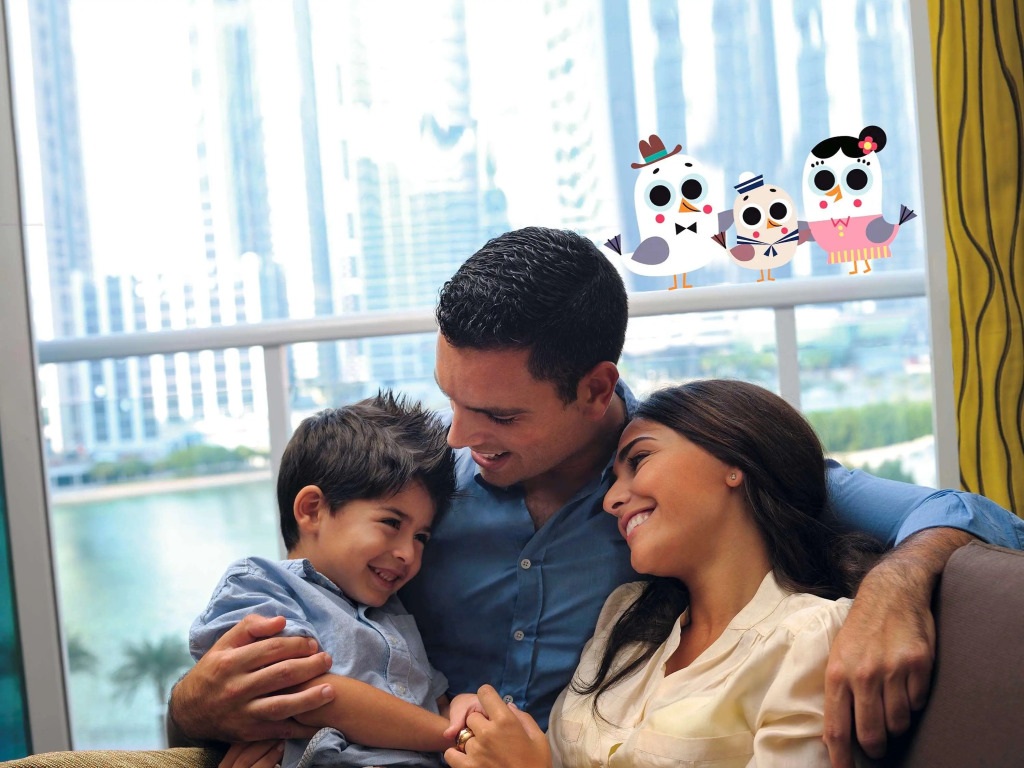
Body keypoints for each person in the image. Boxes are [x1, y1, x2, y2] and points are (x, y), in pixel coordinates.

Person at [168, 227, 1024, 768]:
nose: (459, 437)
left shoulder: (689, 479)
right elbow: (314, 622)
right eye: (452, 398)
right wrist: (193, 707)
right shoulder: (420, 502)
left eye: (499, 415)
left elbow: (974, 516)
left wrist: (895, 586)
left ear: (595, 387)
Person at [444, 379, 883, 767]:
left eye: (640, 460)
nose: (611, 500)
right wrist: (488, 732)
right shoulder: (626, 618)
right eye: (613, 479)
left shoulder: (812, 636)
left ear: (734, 463)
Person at [189, 392, 461, 768]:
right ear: (312, 510)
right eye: (391, 523)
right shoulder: (261, 586)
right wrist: (453, 737)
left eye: (421, 537)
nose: (409, 554)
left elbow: (434, 698)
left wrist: (461, 710)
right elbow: (311, 695)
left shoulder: (393, 613)